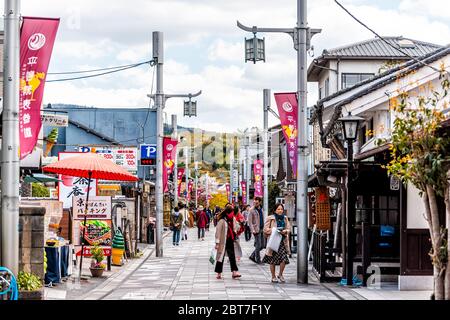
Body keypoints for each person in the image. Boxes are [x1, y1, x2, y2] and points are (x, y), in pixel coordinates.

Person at [262, 203, 291, 283]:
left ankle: (280, 274)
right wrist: (274, 230)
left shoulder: (285, 218)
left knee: (284, 258)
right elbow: (265, 229)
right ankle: (273, 276)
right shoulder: (270, 218)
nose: (280, 211)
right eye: (278, 209)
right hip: (273, 241)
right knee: (272, 259)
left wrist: (285, 231)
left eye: (281, 209)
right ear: (275, 210)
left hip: (282, 241)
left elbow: (288, 228)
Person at [214, 207, 241, 279]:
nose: (232, 214)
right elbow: (218, 231)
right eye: (231, 213)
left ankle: (234, 272)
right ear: (227, 213)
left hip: (230, 240)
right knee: (220, 257)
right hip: (223, 241)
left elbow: (237, 228)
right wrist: (217, 243)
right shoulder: (222, 221)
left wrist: (238, 223)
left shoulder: (233, 219)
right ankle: (218, 273)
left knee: (232, 256)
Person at [248, 197, 264, 264]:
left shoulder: (261, 209)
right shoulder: (251, 210)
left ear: (260, 202)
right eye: (254, 202)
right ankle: (258, 260)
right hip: (256, 230)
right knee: (258, 245)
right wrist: (252, 230)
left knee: (262, 245)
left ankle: (252, 256)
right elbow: (250, 222)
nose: (255, 203)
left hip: (261, 229)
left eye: (257, 202)